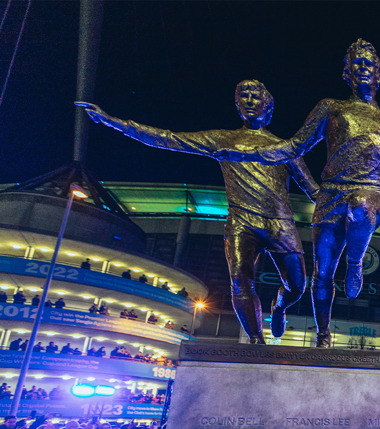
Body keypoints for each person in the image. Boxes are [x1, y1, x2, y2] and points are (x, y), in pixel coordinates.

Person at [215, 39, 380, 348]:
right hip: (331, 195)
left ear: (379, 74)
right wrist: (251, 153)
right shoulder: (331, 108)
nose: (362, 69)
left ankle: (355, 263)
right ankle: (323, 335)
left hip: (374, 194)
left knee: (362, 206)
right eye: (357, 64)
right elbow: (295, 147)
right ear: (348, 73)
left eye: (368, 64)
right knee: (322, 274)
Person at [77, 79, 317, 344]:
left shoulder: (286, 149)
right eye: (243, 96)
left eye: (255, 96)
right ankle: (256, 340)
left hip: (280, 224)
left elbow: (313, 190)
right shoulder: (223, 139)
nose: (249, 100)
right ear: (237, 105)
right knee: (240, 280)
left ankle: (280, 307)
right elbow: (170, 139)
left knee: (297, 287)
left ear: (268, 106)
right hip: (241, 222)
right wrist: (115, 122)